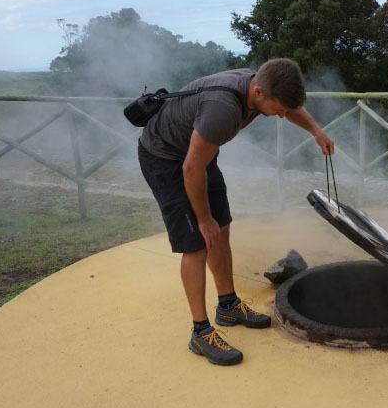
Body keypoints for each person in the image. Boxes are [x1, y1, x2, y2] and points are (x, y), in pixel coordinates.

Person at [137, 58, 334, 366]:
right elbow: (191, 168)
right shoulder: (223, 110)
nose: (282, 116)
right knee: (197, 243)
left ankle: (227, 304)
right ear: (257, 92)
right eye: (278, 109)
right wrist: (202, 219)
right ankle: (200, 332)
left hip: (198, 154)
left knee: (222, 227)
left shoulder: (262, 84)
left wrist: (316, 133)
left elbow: (290, 105)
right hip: (166, 158)